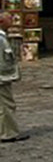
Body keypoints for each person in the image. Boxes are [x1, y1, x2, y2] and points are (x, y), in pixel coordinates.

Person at [0, 13, 27, 143]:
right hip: (1, 78)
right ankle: (8, 133)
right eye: (9, 19)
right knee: (6, 105)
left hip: (4, 76)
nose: (12, 21)